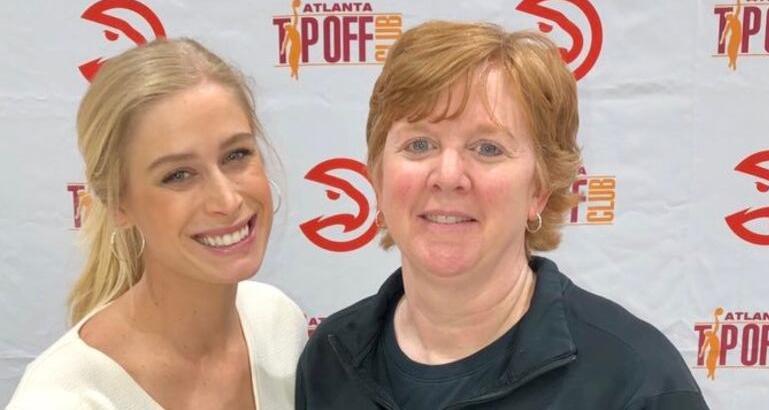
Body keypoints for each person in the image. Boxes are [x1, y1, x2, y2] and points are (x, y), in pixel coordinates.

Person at [295, 21, 709, 409]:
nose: (448, 175)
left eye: (487, 148)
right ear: (378, 174)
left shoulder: (635, 383)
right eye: (420, 145)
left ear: (540, 189)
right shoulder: (330, 360)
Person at [7, 38, 306, 409]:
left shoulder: (278, 324)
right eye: (179, 175)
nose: (227, 201)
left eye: (236, 154)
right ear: (119, 204)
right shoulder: (61, 399)